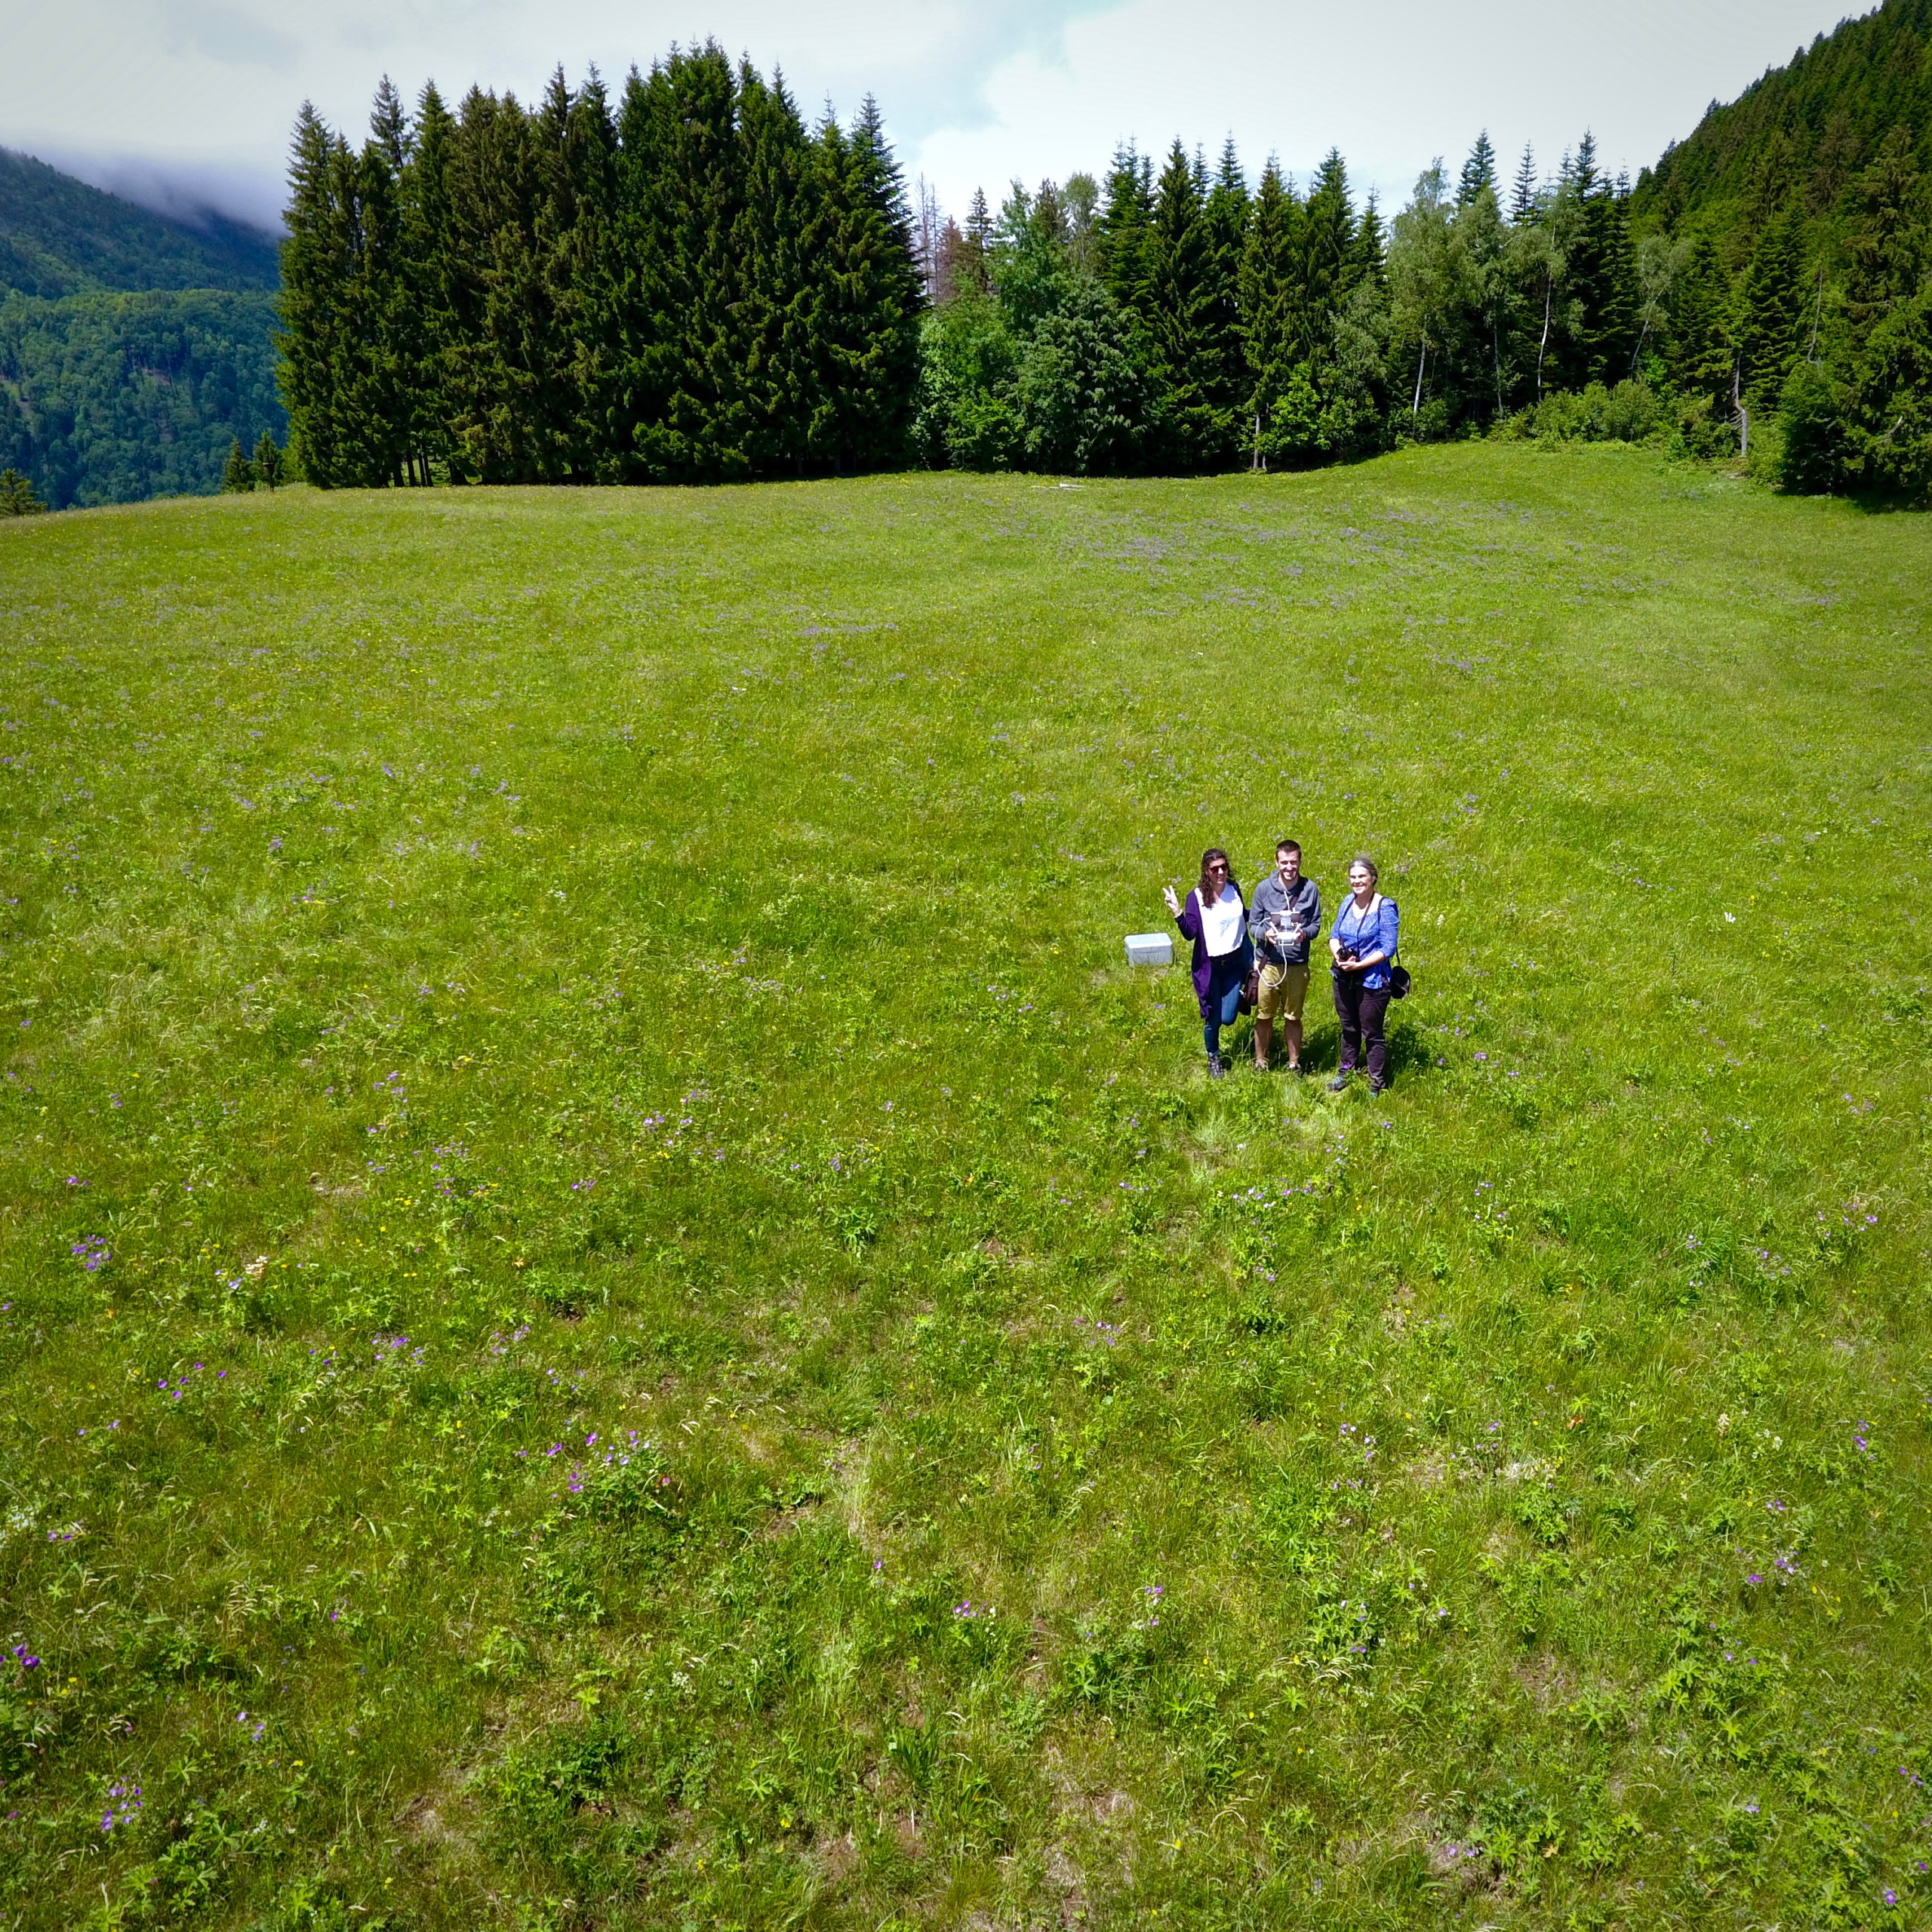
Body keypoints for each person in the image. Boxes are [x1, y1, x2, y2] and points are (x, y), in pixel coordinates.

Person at [1163, 848, 1252, 1079]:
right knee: (1214, 1019)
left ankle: (1238, 997)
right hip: (1210, 968)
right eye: (1215, 869)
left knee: (1228, 1018)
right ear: (1206, 871)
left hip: (1234, 964)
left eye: (1224, 867)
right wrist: (1178, 913)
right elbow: (1190, 933)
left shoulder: (1234, 890)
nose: (1221, 872)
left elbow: (1244, 915)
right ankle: (1213, 1057)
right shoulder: (1197, 897)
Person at [1247, 839, 1321, 1073]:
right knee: (1264, 1015)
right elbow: (1253, 924)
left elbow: (1316, 925)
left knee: (1293, 1017)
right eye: (1285, 862)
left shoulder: (1310, 889)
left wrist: (1304, 934)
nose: (1290, 867)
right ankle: (1261, 1062)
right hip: (1268, 963)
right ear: (1277, 862)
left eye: (1294, 862)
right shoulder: (1263, 889)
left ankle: (1293, 1064)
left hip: (1297, 964)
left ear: (1300, 862)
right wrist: (1264, 933)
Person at [1327, 854, 1399, 1094]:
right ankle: (1345, 1072)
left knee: (1372, 1032)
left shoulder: (1385, 906)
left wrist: (1360, 965)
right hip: (1344, 975)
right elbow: (1335, 934)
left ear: (1373, 878)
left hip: (1373, 980)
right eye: (1353, 877)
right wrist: (1339, 956)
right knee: (1348, 1027)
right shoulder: (1347, 901)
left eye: (1362, 877)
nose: (1357, 881)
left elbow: (1387, 948)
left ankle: (1376, 1082)